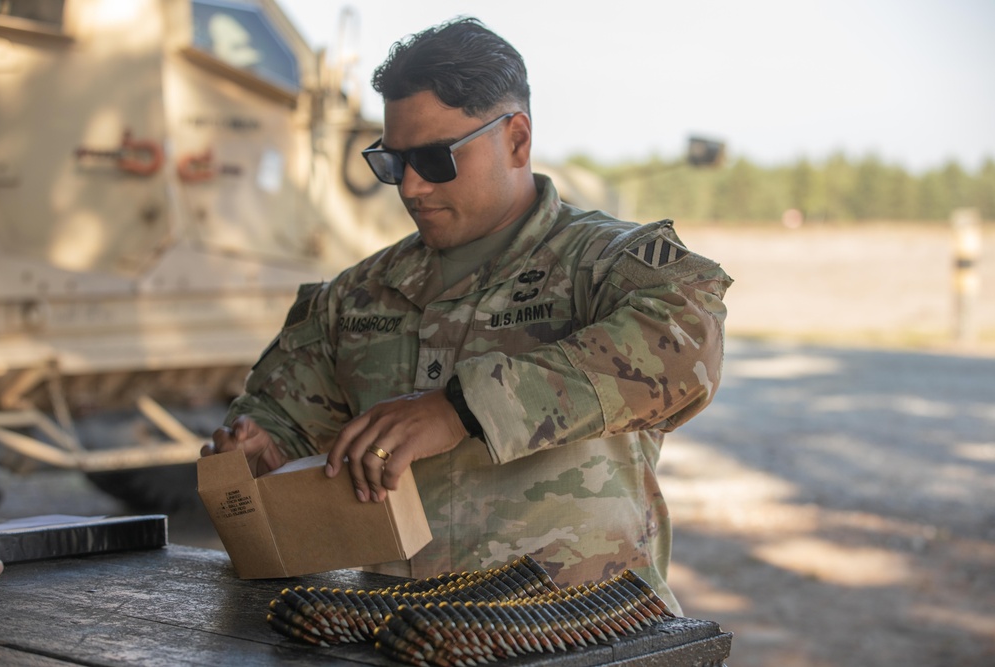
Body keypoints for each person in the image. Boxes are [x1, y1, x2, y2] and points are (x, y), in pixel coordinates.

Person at [201, 17, 731, 614]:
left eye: (435, 158)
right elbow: (282, 419)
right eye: (393, 162)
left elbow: (687, 353)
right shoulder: (357, 295)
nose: (412, 188)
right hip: (404, 636)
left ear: (517, 140)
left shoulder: (600, 263)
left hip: (580, 635)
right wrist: (258, 448)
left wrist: (461, 409)